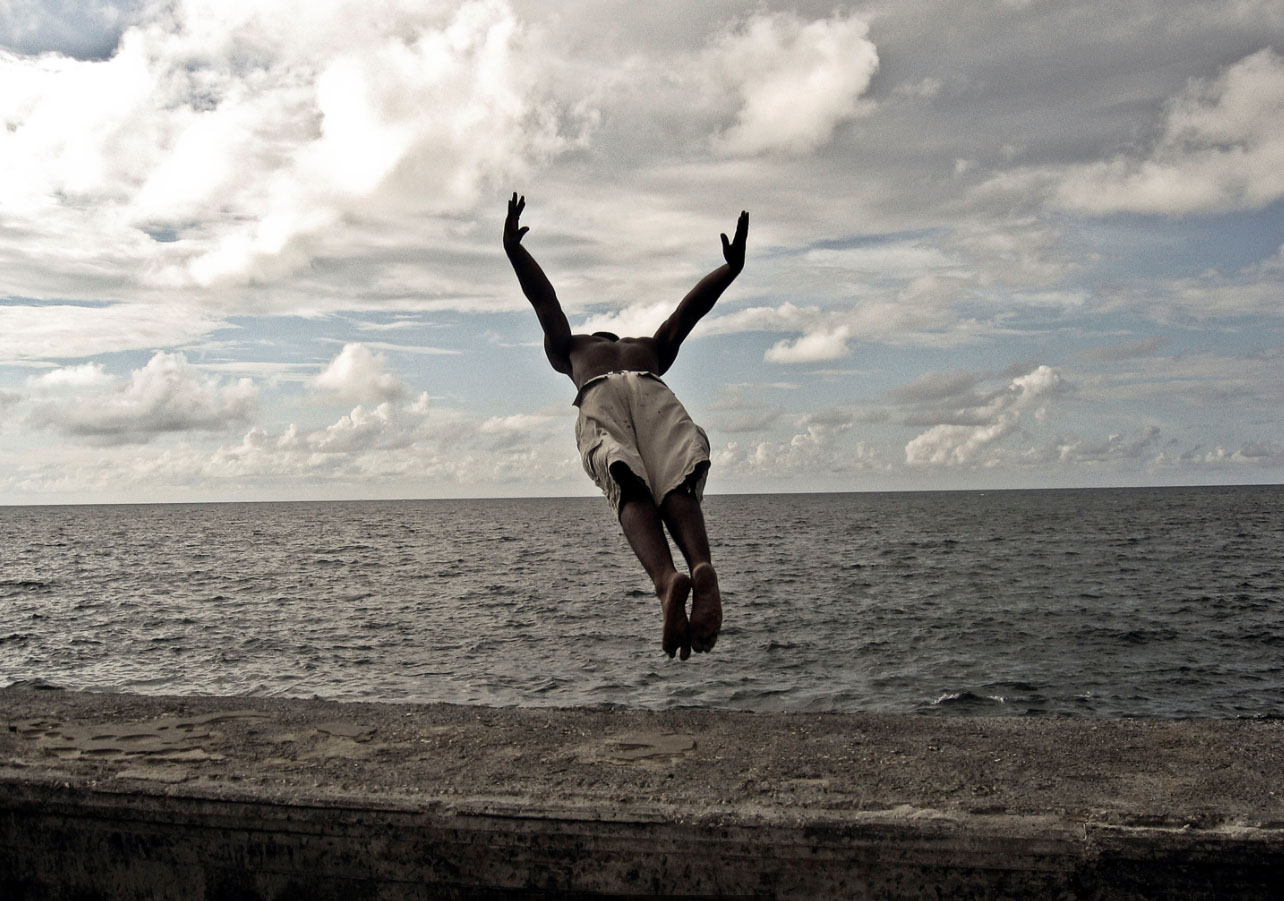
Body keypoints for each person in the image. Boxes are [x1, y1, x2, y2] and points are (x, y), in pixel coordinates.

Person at [503, 193, 748, 661]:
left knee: (629, 486)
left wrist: (515, 250)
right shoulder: (648, 348)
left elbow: (544, 299)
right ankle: (700, 565)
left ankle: (666, 582)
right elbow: (686, 313)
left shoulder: (572, 350)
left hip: (599, 392)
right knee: (676, 482)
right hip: (653, 388)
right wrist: (729, 271)